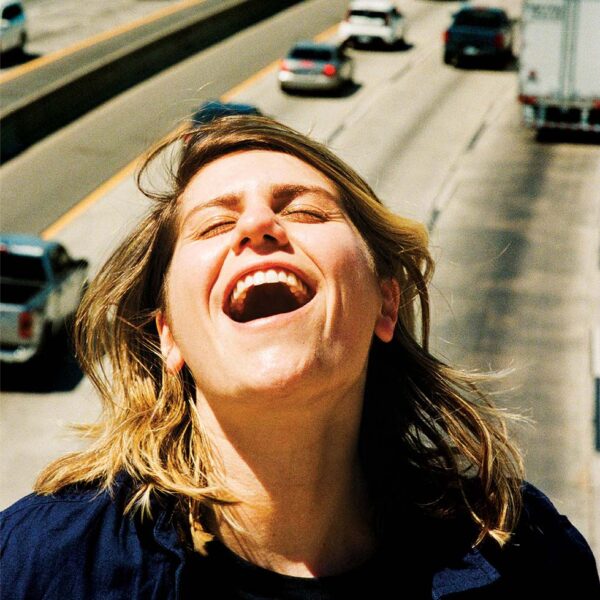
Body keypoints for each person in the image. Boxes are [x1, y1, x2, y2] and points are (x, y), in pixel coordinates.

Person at [1, 116, 598, 599]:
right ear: (169, 337)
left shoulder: (529, 558)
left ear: (385, 305)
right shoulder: (38, 567)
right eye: (214, 225)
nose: (258, 225)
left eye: (306, 211)